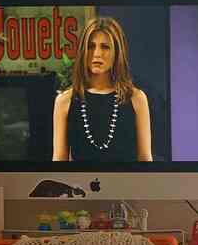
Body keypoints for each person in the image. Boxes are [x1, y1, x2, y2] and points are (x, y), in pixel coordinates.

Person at [52, 17, 152, 163]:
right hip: (80, 185)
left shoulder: (137, 99)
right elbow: (59, 162)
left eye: (105, 47)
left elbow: (145, 161)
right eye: (91, 46)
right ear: (83, 51)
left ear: (117, 52)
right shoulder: (64, 101)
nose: (97, 54)